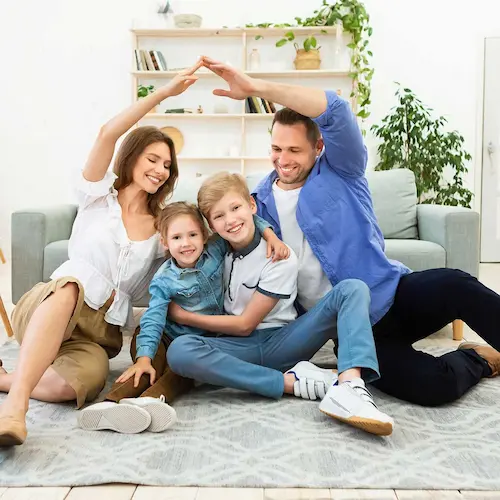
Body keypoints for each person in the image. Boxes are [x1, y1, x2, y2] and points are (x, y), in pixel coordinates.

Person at [199, 55, 500, 408]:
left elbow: (336, 111)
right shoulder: (257, 203)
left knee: (457, 284)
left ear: (319, 147)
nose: (283, 159)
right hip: (353, 330)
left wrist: (255, 87)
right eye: (276, 149)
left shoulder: (343, 169)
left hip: (394, 294)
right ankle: (478, 358)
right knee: (433, 387)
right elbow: (217, 227)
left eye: (295, 149)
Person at [0, 61, 205, 447]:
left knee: (77, 386)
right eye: (152, 159)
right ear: (131, 157)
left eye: (167, 165)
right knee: (73, 285)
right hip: (53, 302)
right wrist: (162, 94)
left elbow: (181, 269)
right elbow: (108, 132)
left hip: (99, 332)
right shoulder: (96, 196)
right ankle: (15, 407)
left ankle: (5, 379)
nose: (160, 170)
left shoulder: (162, 226)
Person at [166, 172, 394, 436]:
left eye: (236, 208)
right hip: (239, 348)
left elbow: (244, 325)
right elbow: (186, 236)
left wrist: (183, 317)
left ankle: (350, 386)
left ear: (252, 205)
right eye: (218, 216)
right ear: (211, 227)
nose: (230, 220)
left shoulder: (280, 256)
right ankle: (291, 383)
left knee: (352, 289)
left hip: (283, 341)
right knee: (179, 350)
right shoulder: (216, 251)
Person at [76, 202, 290, 434]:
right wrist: (144, 357)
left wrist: (271, 236)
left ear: (205, 236)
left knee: (180, 372)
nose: (186, 243)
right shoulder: (164, 279)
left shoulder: (216, 250)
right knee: (147, 367)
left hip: (199, 344)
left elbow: (248, 222)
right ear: (165, 242)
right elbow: (153, 319)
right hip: (164, 336)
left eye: (192, 235)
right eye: (177, 238)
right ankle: (111, 404)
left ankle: (149, 402)